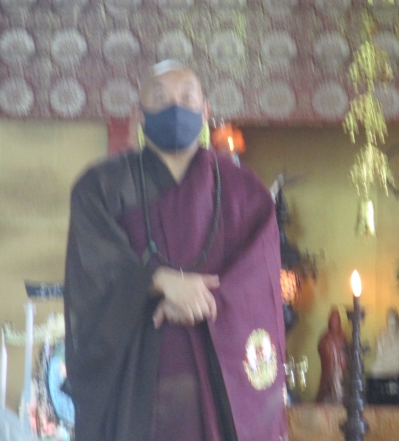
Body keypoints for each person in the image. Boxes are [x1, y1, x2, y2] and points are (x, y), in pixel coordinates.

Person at [63, 60, 287, 440]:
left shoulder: (245, 192)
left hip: (217, 390)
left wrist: (194, 297)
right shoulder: (100, 186)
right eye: (160, 97)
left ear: (206, 111)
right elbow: (92, 267)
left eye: (186, 97)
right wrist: (158, 281)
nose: (175, 108)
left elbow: (258, 279)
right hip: (135, 386)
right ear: (138, 113)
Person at [316, 307, 347, 403]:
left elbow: (345, 351)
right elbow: (321, 348)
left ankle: (339, 396)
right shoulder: (325, 337)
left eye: (336, 320)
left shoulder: (343, 336)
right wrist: (328, 348)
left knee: (340, 383)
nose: (334, 323)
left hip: (340, 366)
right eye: (332, 320)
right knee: (327, 384)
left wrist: (341, 361)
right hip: (329, 367)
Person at [370, 308, 399, 378]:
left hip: (396, 363)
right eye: (389, 318)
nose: (390, 321)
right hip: (384, 363)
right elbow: (379, 354)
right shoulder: (382, 335)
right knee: (375, 368)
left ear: (396, 321)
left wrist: (391, 358)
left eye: (392, 318)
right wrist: (382, 357)